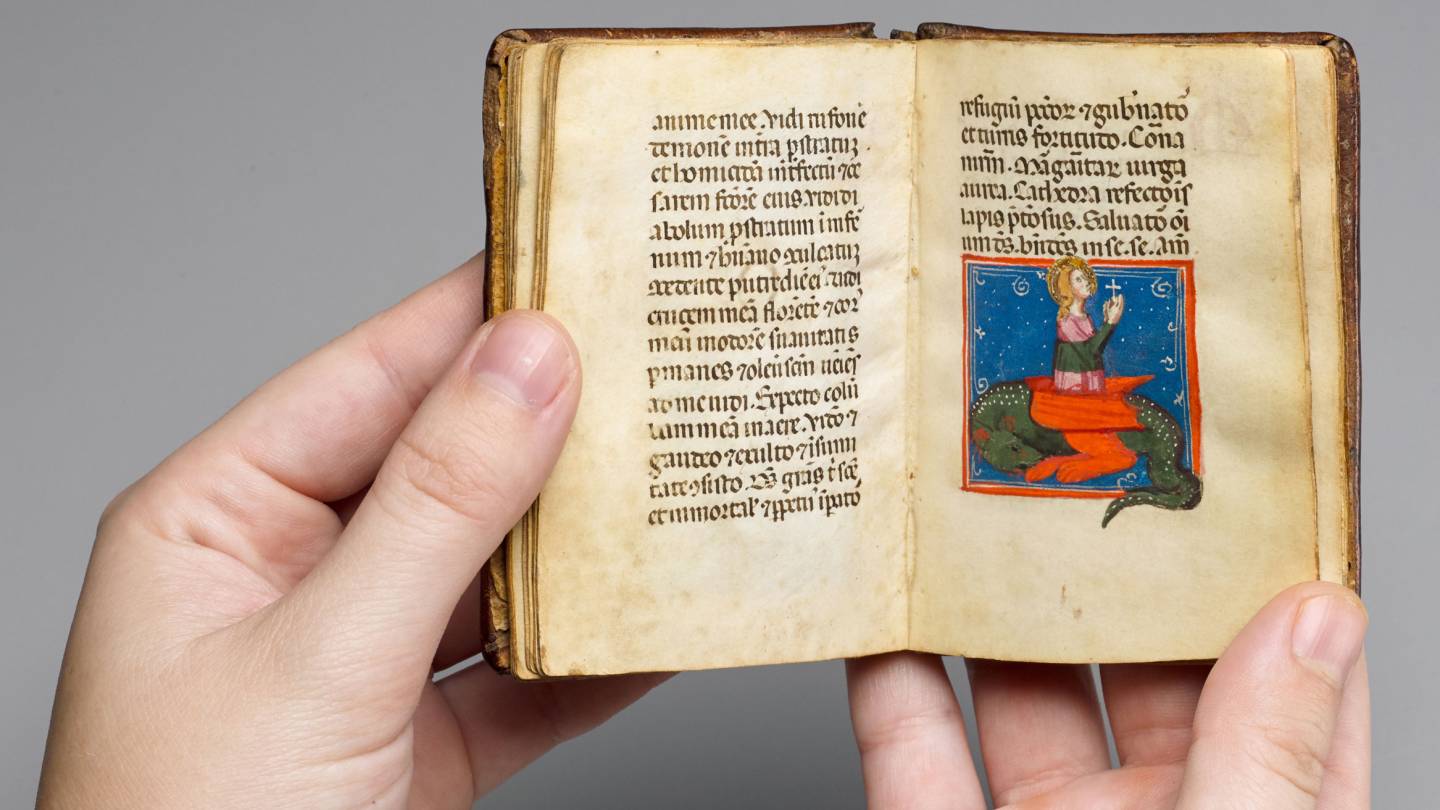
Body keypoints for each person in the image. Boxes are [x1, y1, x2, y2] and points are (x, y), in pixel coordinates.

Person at [38, 255, 1369, 808]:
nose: (1076, 314)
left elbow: (1102, 345)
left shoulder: (1087, 339)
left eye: (1083, 311)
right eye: (1072, 308)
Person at [1048, 255, 1123, 394]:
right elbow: (1088, 351)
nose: (1086, 282)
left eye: (1085, 277)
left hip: (1092, 383)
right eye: (1079, 279)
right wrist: (1110, 323)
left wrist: (1108, 322)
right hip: (1075, 388)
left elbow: (1096, 350)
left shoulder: (1086, 318)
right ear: (1067, 287)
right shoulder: (1066, 321)